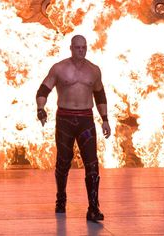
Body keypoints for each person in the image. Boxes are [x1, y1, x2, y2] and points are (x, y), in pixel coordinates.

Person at [36, 35, 111, 222]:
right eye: (77, 47)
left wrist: (105, 119)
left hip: (86, 119)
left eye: (84, 47)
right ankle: (61, 198)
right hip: (65, 119)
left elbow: (100, 95)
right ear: (71, 48)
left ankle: (93, 208)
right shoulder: (59, 68)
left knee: (92, 163)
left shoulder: (94, 70)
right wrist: (40, 109)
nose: (81, 50)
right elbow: (43, 89)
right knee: (63, 161)